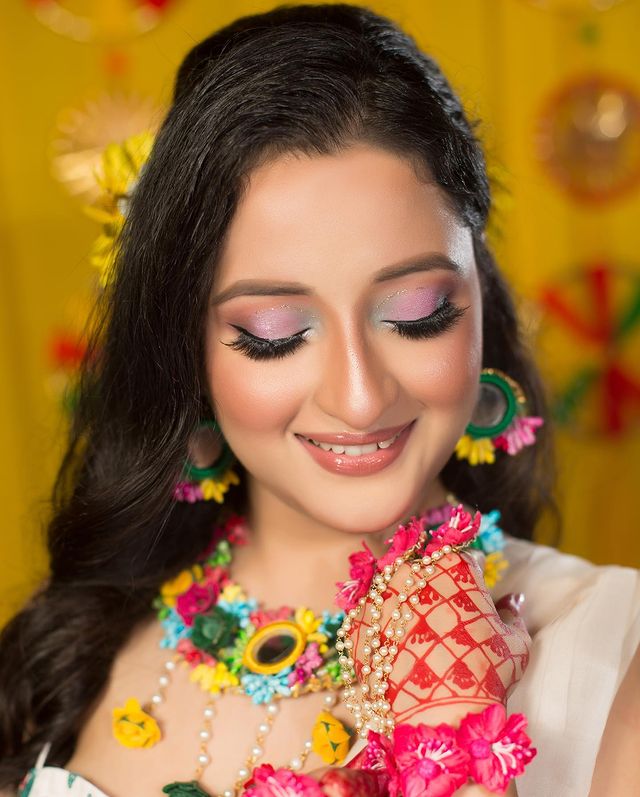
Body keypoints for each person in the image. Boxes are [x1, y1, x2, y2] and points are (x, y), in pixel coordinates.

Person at [0, 3, 638, 796]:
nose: (360, 397)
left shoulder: (610, 653)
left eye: (417, 315)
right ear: (184, 350)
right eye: (273, 333)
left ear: (479, 299)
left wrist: (452, 737)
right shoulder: (68, 649)